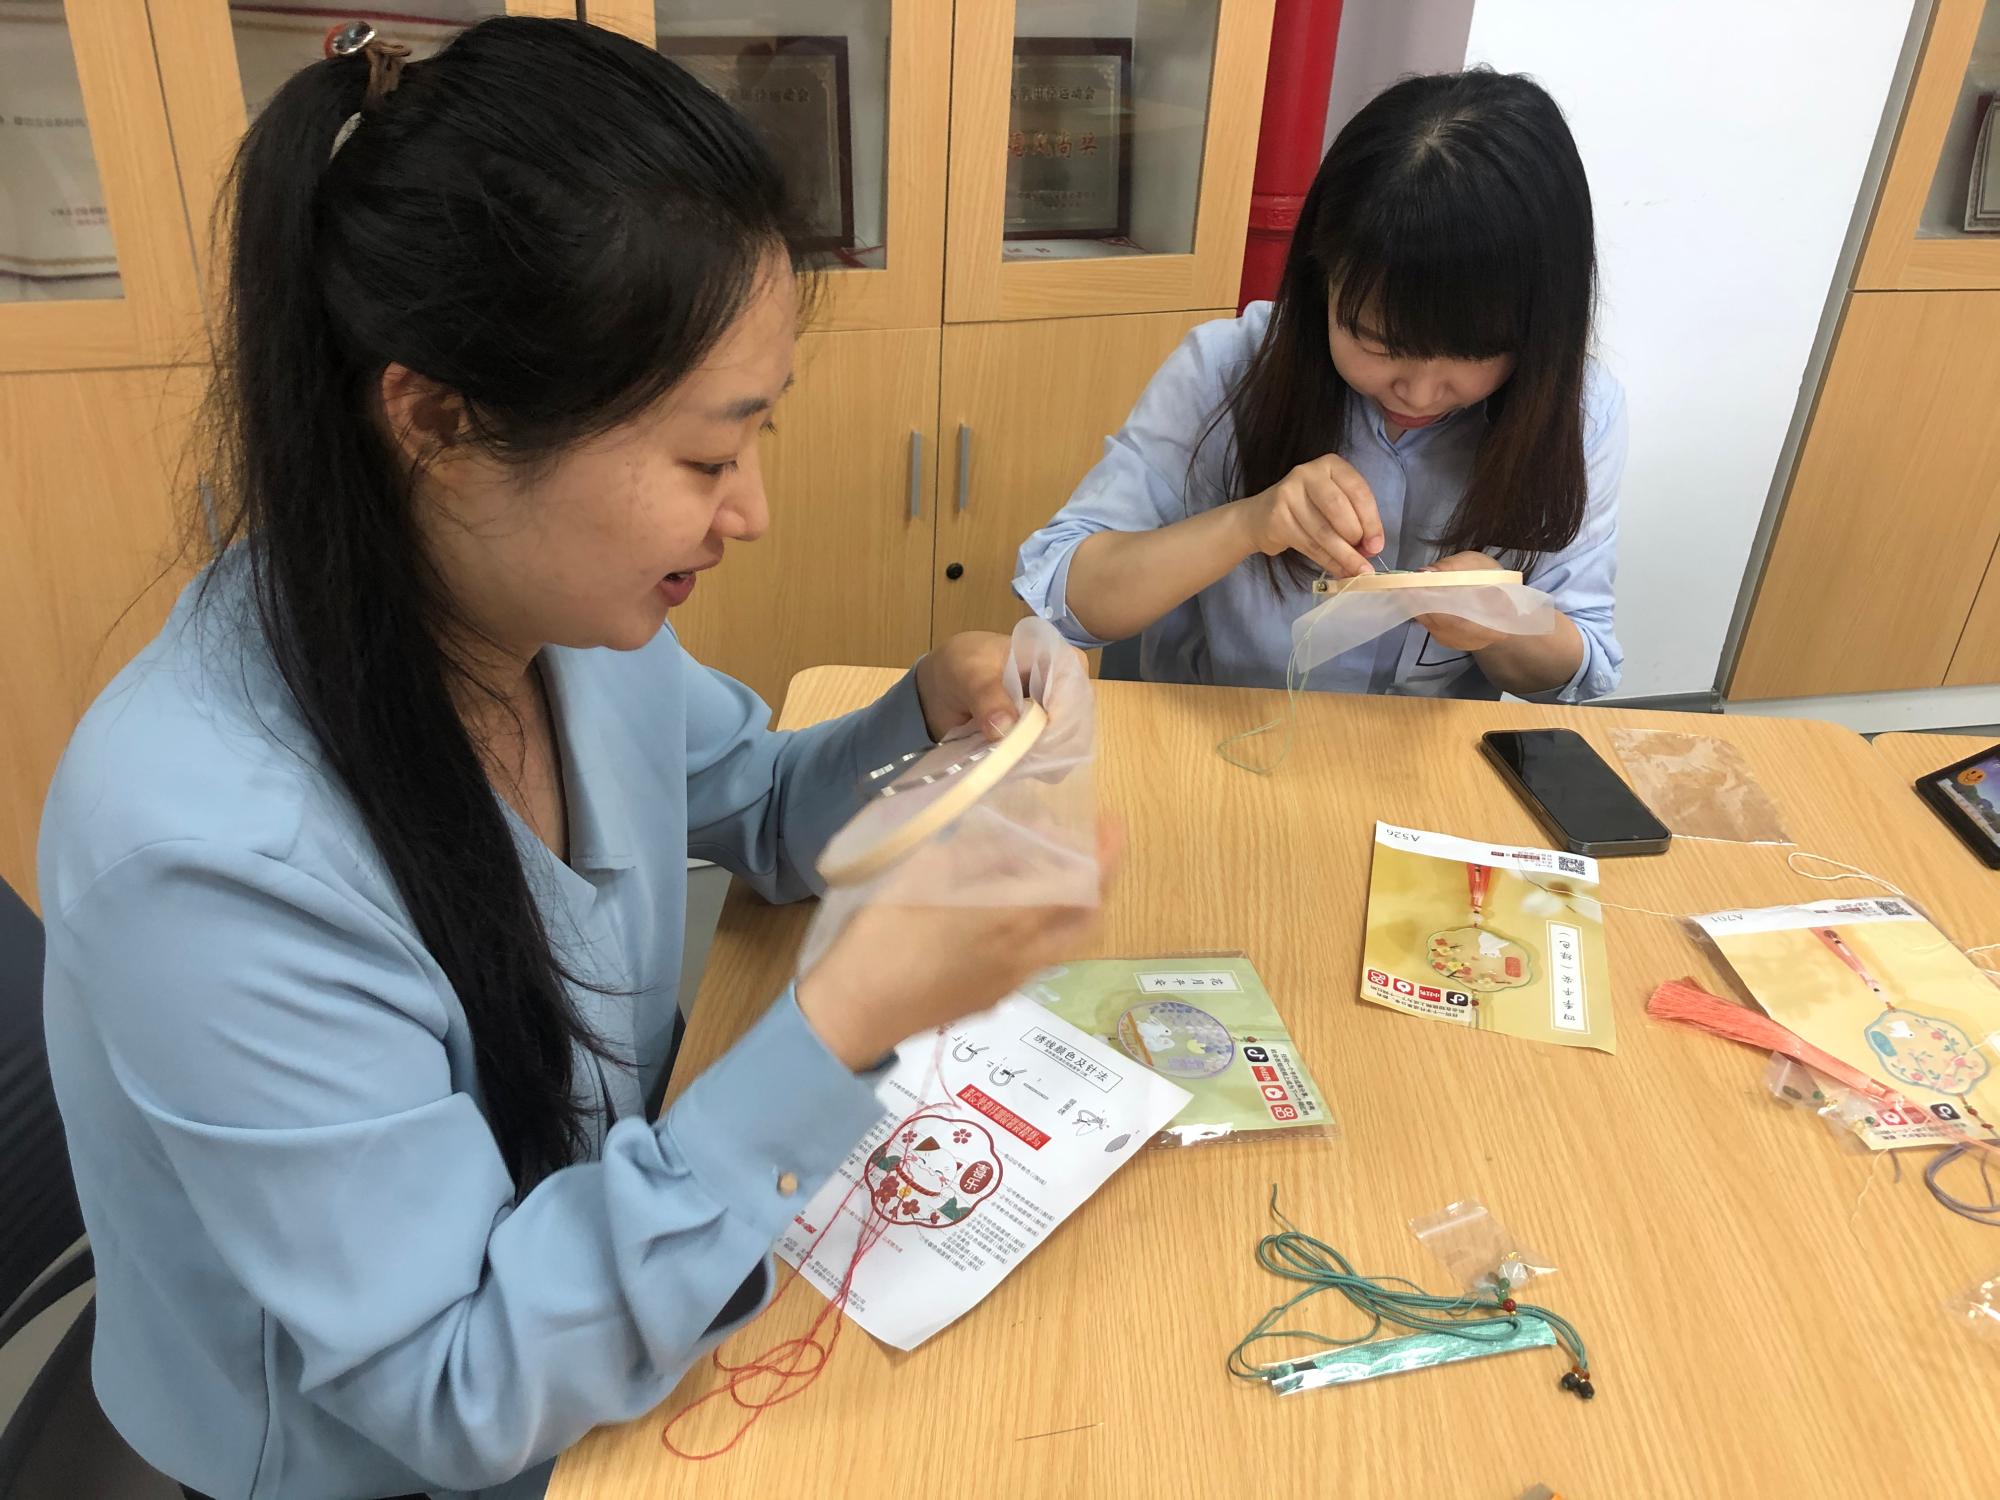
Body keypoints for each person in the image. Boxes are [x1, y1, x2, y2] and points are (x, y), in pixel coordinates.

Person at [38, 20, 1103, 1500]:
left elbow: (764, 809)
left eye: (757, 436)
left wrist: (925, 711)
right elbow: (453, 1388)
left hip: (601, 1283)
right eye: (706, 456)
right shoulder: (210, 851)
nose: (750, 512)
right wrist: (843, 1020)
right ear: (438, 421)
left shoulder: (553, 615)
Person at [1015, 69, 1628, 702]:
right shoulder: (1226, 369)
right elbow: (1064, 595)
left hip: (1426, 754)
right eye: (1378, 344)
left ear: (1541, 331)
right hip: (1214, 734)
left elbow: (1580, 672)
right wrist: (1245, 524)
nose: (1418, 393)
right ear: (1322, 282)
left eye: (1474, 354)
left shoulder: (1579, 412)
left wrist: (1506, 623)